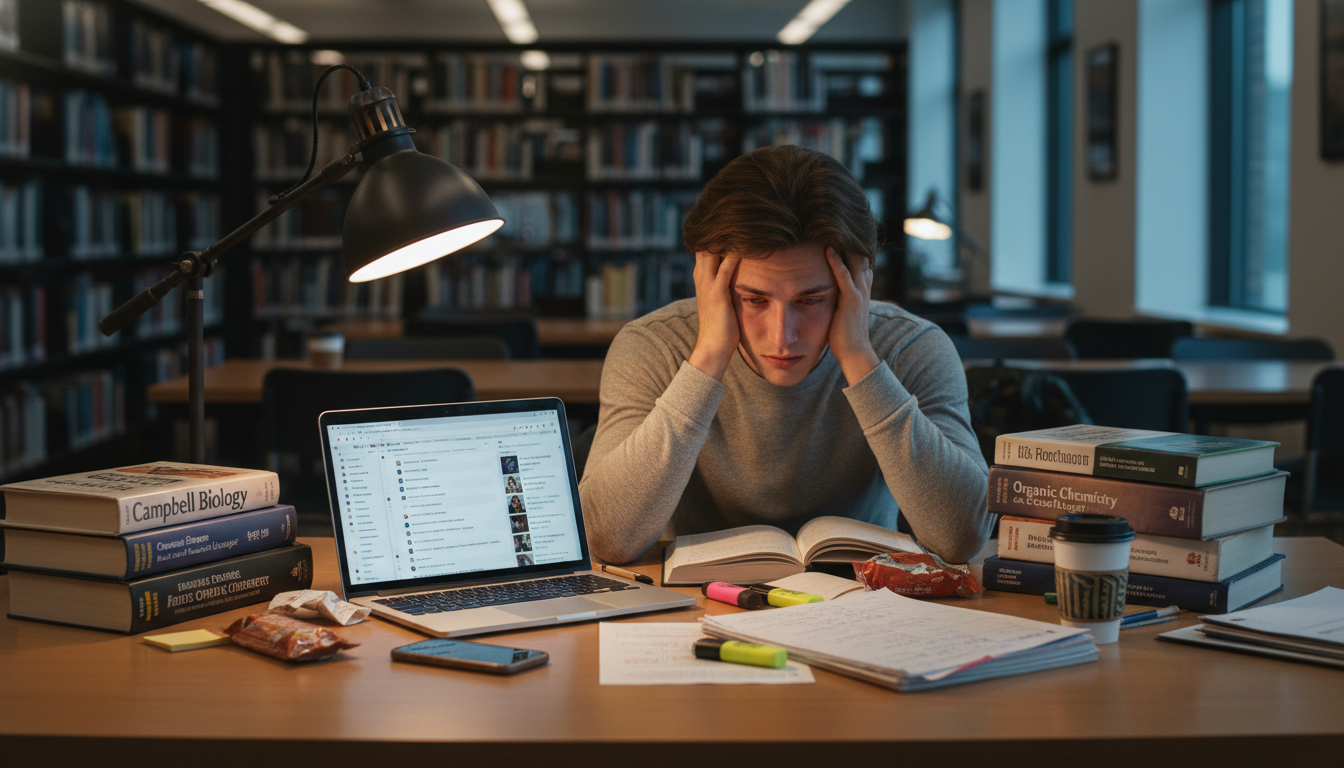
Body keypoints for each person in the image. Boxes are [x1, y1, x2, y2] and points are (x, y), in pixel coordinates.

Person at [579, 145, 992, 565]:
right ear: (710, 279)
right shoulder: (653, 346)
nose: (783, 336)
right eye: (754, 299)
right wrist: (707, 357)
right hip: (697, 604)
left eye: (811, 301)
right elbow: (608, 538)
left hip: (865, 606)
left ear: (858, 279)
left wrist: (859, 357)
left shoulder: (913, 347)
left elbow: (961, 536)